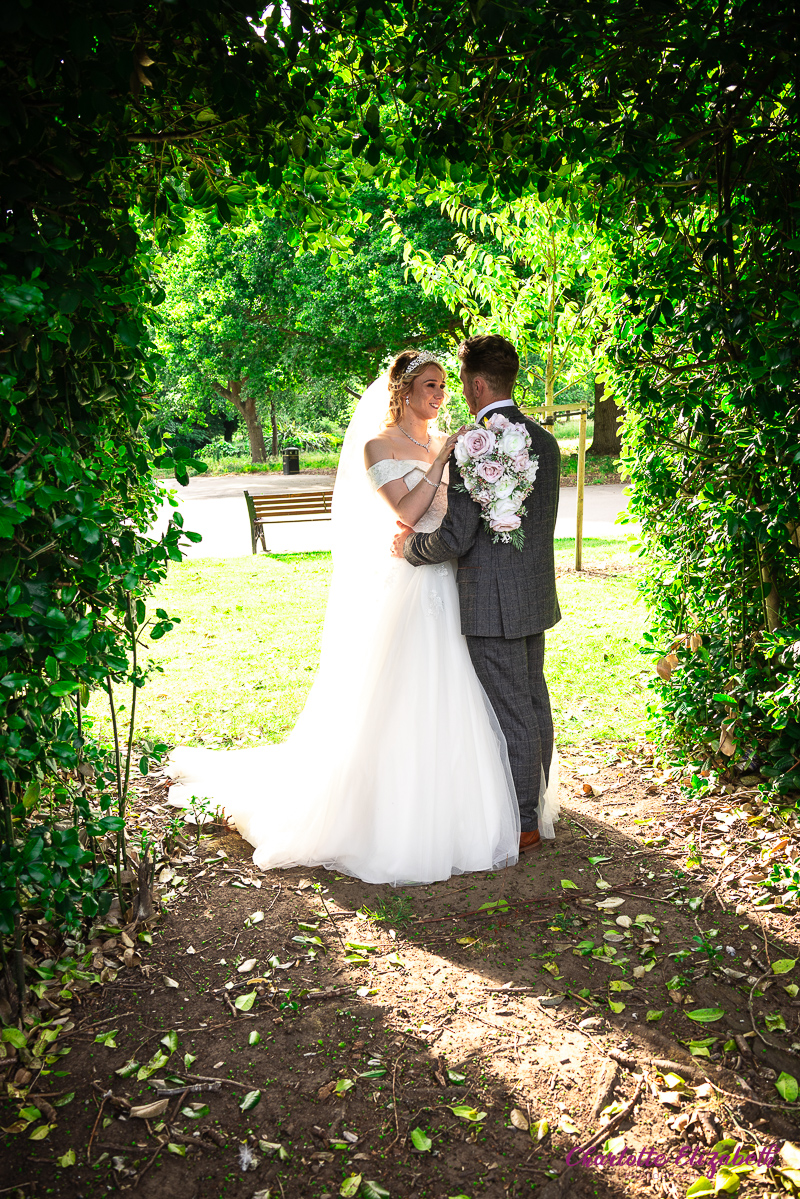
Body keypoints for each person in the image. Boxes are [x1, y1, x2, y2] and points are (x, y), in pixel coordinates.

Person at [166, 348, 522, 885]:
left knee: (452, 688)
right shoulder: (378, 446)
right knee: (400, 689)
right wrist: (442, 463)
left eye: (444, 386)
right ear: (402, 391)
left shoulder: (444, 440)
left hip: (444, 577)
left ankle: (451, 799)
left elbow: (456, 513)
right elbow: (405, 511)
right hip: (406, 582)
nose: (440, 395)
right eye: (429, 385)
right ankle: (382, 811)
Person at [393, 335, 561, 852]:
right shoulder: (547, 442)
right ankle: (539, 805)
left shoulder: (475, 446)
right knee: (534, 703)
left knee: (512, 711)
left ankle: (524, 822)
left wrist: (410, 549)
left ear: (478, 383)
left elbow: (456, 536)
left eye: (463, 383)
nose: (461, 394)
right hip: (533, 593)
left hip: (490, 600)